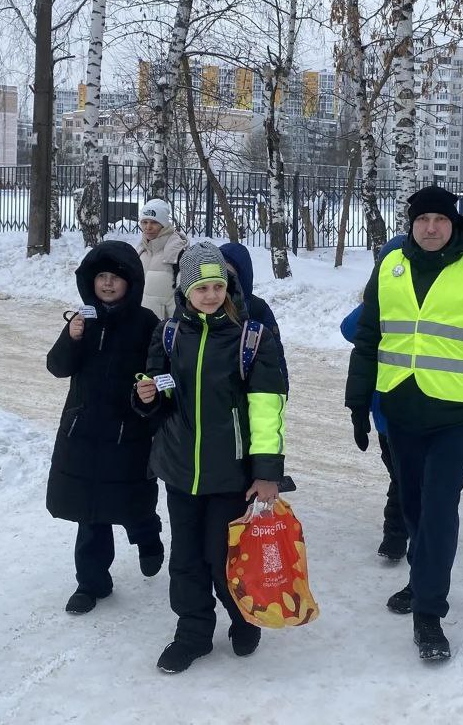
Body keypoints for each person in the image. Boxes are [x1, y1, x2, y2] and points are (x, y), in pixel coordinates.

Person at [345, 185, 463, 662]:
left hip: (453, 416)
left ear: (454, 224)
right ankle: (420, 579)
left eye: (439, 220)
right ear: (411, 224)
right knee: (413, 504)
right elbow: (368, 339)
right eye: (422, 219)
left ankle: (429, 611)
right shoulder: (390, 267)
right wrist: (357, 402)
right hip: (401, 410)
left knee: (439, 509)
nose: (430, 228)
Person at [135, 242, 287, 674]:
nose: (210, 294)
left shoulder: (251, 339)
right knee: (185, 557)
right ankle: (193, 633)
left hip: (231, 474)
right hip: (180, 470)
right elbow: (158, 395)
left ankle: (243, 617)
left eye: (218, 285)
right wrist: (145, 394)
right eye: (201, 287)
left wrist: (267, 473)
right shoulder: (167, 334)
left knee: (224, 557)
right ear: (185, 290)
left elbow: (267, 408)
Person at [46, 241, 163, 616]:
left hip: (128, 434)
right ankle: (92, 583)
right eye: (101, 277)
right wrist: (72, 336)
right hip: (83, 432)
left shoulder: (147, 324)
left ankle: (148, 538)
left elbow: (162, 376)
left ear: (131, 282)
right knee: (90, 512)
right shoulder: (83, 320)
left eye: (115, 278)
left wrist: (150, 396)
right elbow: (57, 367)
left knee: (132, 503)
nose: (108, 284)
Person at [340, 239, 409, 562]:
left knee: (404, 476)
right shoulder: (378, 301)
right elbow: (349, 328)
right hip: (385, 411)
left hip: (418, 405)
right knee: (400, 474)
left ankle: (397, 533)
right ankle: (401, 529)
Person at [219, 242, 288, 382]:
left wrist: (281, 389)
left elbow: (276, 356)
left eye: (228, 273)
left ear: (240, 276)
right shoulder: (207, 305)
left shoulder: (258, 308)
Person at [137, 198, 190, 320]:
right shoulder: (140, 250)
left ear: (164, 224)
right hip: (139, 325)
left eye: (154, 222)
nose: (148, 227)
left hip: (165, 328)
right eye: (144, 222)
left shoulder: (177, 253)